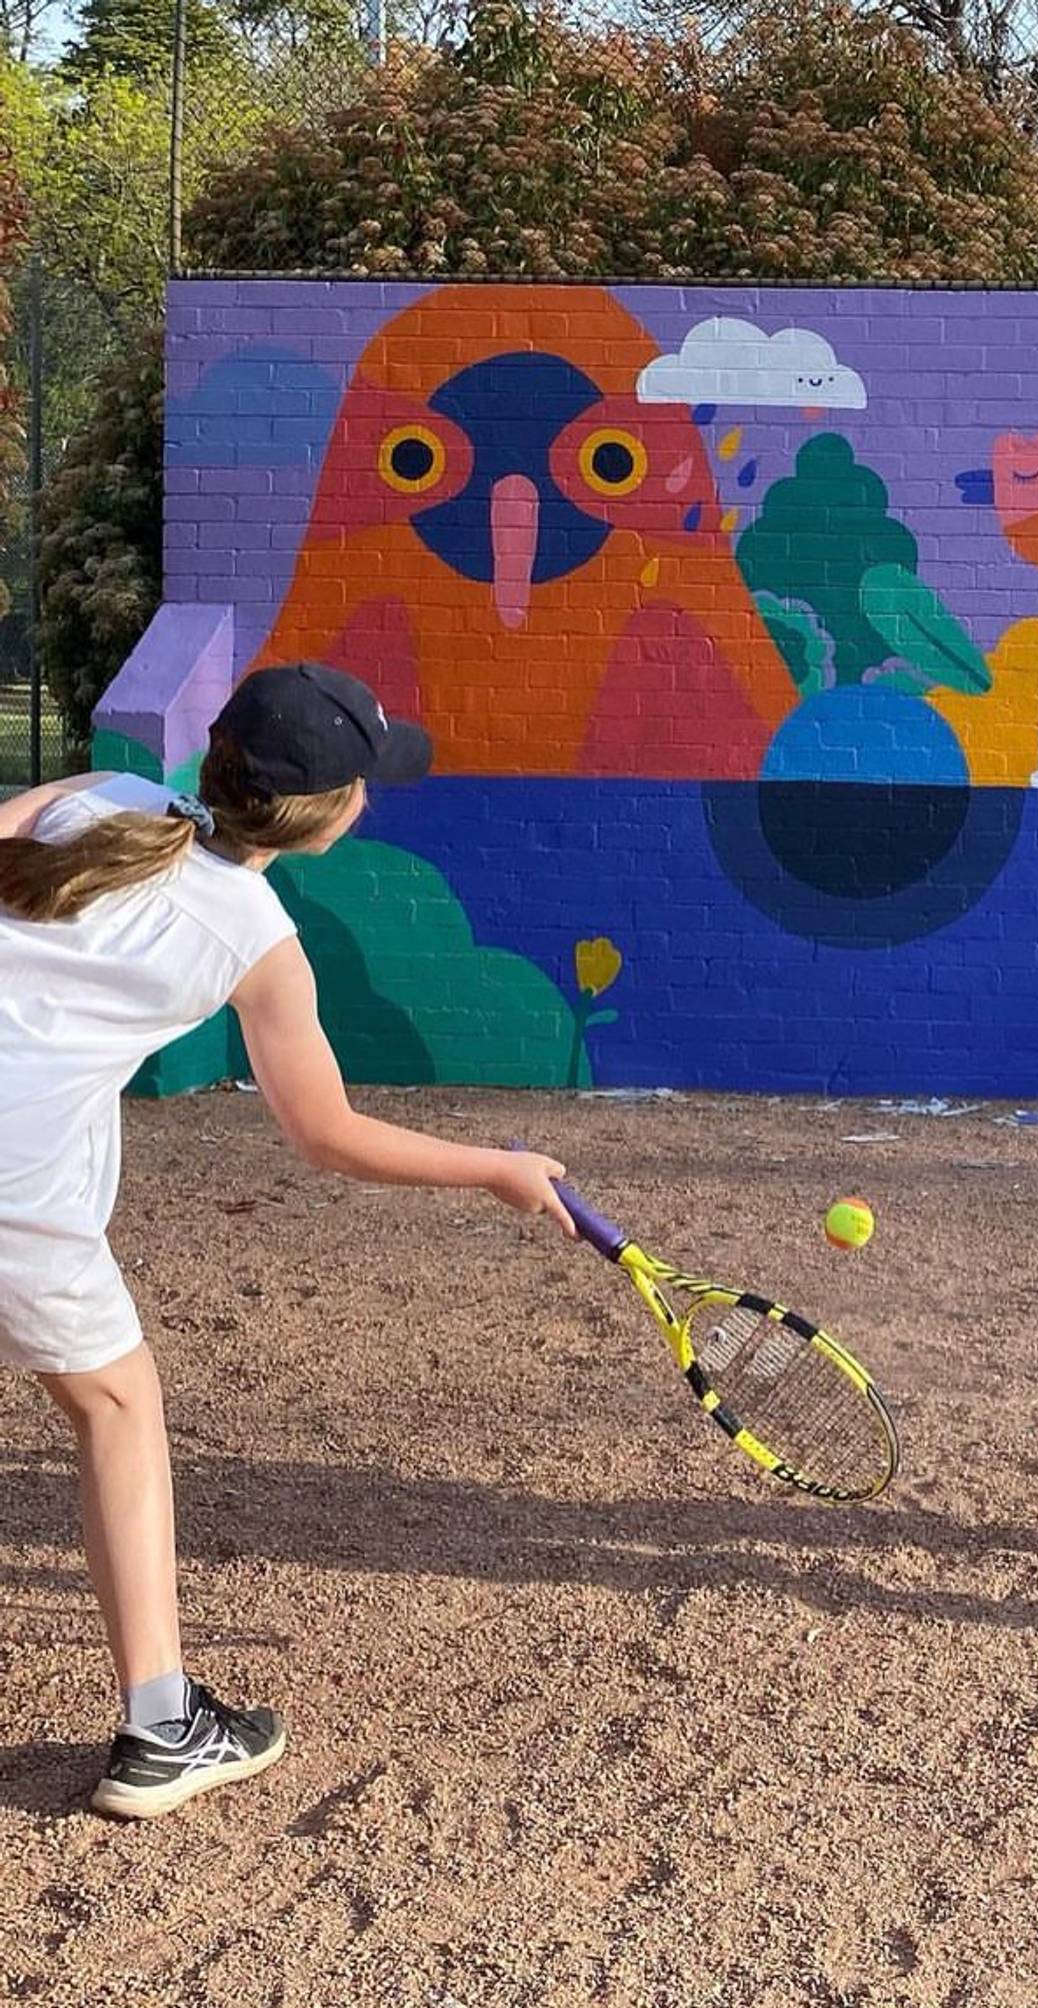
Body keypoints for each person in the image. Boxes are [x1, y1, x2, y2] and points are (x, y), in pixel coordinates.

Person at [0, 661, 573, 1817]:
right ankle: (162, 1729)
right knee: (115, 1406)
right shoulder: (255, 936)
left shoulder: (104, 793)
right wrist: (500, 1169)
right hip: (18, 1193)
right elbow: (330, 1136)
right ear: (335, 813)